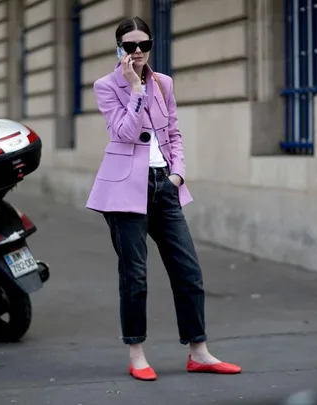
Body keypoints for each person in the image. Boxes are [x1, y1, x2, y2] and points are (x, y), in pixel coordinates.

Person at [86, 16, 241, 381]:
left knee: (188, 270)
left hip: (164, 186)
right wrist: (134, 90)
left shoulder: (164, 83)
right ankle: (137, 353)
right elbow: (123, 134)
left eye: (144, 45)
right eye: (129, 46)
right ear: (118, 49)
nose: (138, 52)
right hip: (125, 190)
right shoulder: (106, 86)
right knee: (135, 276)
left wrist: (178, 174)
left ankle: (199, 351)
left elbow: (173, 132)